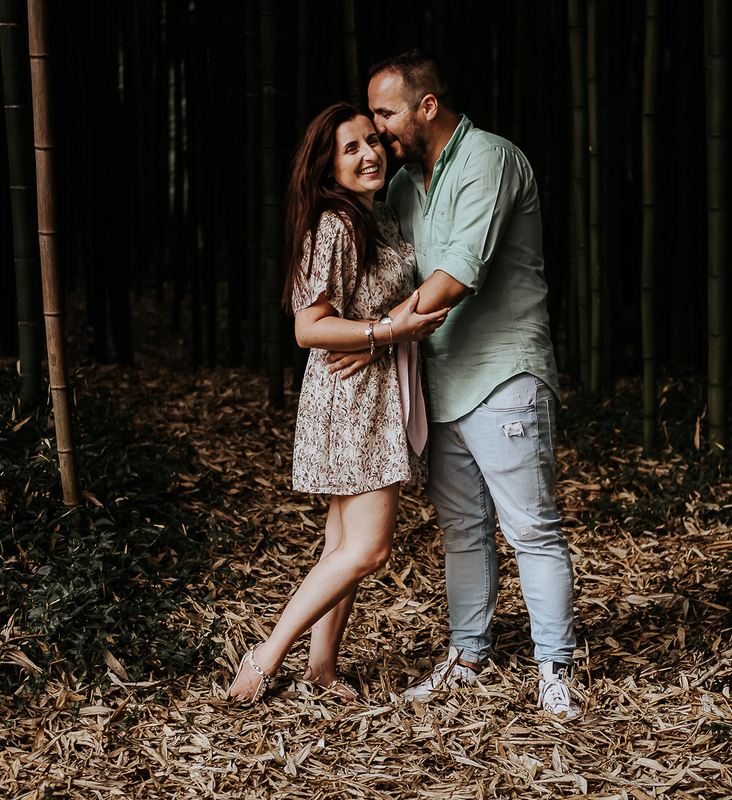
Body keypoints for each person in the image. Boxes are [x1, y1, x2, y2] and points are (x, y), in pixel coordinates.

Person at [361, 49, 581, 720]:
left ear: (427, 107)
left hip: (502, 374)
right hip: (441, 380)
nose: (378, 130)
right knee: (462, 529)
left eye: (386, 113)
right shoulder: (402, 187)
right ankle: (467, 654)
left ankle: (554, 670)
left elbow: (452, 281)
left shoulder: (491, 159)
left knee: (532, 531)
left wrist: (368, 337)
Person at [226, 102, 448, 706]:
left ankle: (321, 666)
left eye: (371, 141)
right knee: (368, 550)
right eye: (349, 148)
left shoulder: (375, 218)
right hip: (351, 398)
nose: (369, 153)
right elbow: (309, 327)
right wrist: (387, 333)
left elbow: (383, 308)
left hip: (372, 391)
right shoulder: (337, 224)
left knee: (340, 544)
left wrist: (392, 325)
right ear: (327, 166)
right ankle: (266, 656)